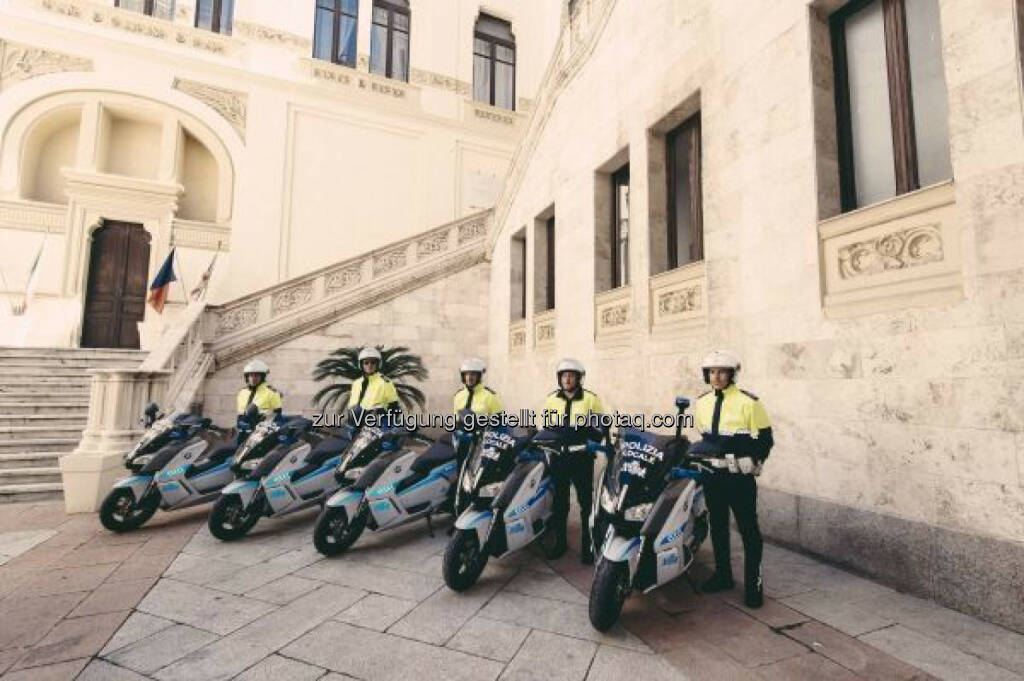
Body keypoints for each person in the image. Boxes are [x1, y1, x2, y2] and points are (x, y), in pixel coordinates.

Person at [690, 349, 774, 608]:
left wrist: (753, 461)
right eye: (712, 372)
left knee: (749, 531)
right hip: (713, 477)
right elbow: (705, 439)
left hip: (739, 479)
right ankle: (723, 576)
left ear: (732, 374)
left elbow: (765, 441)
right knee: (718, 527)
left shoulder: (750, 402)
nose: (717, 377)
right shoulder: (702, 402)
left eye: (722, 372)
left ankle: (753, 585)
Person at [542, 358, 604, 564]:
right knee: (560, 503)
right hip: (559, 459)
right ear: (559, 379)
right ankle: (560, 543)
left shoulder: (591, 399)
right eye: (564, 375)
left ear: (578, 379)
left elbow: (600, 428)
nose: (567, 379)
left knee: (586, 503)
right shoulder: (551, 399)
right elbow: (548, 427)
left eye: (571, 375)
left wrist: (591, 440)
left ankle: (588, 547)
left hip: (581, 459)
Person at [347, 346, 401, 412]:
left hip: (379, 418)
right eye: (366, 363)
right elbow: (352, 406)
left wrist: (382, 412)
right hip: (358, 418)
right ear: (361, 365)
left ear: (377, 364)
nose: (369, 365)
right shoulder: (356, 383)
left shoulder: (385, 382)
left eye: (373, 362)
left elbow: (394, 406)